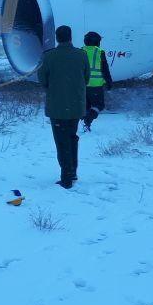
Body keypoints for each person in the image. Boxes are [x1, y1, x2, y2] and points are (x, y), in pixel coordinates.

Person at [37, 25, 90, 188]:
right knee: (72, 138)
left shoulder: (50, 56)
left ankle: (66, 178)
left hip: (57, 107)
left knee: (62, 142)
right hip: (75, 106)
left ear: (57, 38)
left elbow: (42, 79)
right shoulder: (81, 55)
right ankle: (72, 171)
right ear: (70, 37)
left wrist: (54, 89)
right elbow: (86, 78)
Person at [82, 31, 113, 132]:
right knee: (99, 105)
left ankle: (85, 122)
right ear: (97, 42)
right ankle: (87, 120)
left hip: (83, 84)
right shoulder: (100, 52)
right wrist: (109, 82)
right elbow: (105, 69)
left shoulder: (80, 51)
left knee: (86, 105)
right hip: (96, 85)